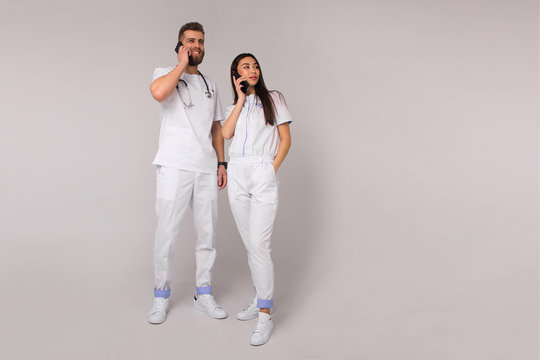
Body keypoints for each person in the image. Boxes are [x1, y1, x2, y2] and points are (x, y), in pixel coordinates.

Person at [147, 22, 228, 324]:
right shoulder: (165, 73)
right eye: (190, 41)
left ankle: (203, 293)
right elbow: (158, 93)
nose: (197, 46)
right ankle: (160, 297)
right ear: (180, 45)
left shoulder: (211, 85)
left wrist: (222, 163)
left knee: (207, 235)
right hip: (174, 164)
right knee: (166, 234)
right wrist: (181, 64)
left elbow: (217, 127)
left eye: (201, 42)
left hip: (206, 167)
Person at [221, 53, 292, 345]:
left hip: (262, 171)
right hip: (237, 173)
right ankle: (259, 296)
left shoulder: (273, 98)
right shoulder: (233, 106)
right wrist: (239, 99)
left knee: (260, 245)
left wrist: (269, 170)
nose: (252, 70)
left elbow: (286, 140)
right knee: (251, 245)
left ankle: (265, 316)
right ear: (236, 75)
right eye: (245, 67)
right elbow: (226, 134)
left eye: (255, 66)